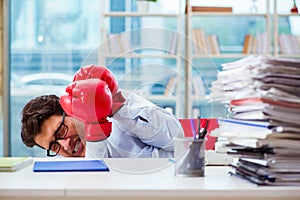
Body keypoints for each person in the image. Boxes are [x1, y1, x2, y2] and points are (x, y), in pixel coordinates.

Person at [21, 65, 184, 158]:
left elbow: (179, 139)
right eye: (54, 146)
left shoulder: (119, 105)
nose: (65, 145)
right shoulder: (64, 169)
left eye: (61, 131)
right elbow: (97, 181)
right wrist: (94, 128)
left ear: (71, 111)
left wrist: (115, 106)